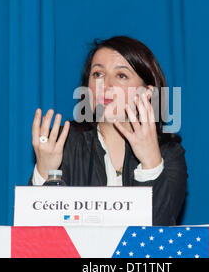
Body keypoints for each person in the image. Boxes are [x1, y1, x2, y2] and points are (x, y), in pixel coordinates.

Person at [29, 36, 187, 226]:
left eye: (121, 75)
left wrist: (151, 164)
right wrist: (46, 171)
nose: (106, 84)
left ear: (147, 93)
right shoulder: (62, 143)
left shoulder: (169, 154)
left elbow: (158, 237)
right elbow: (34, 235)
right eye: (98, 74)